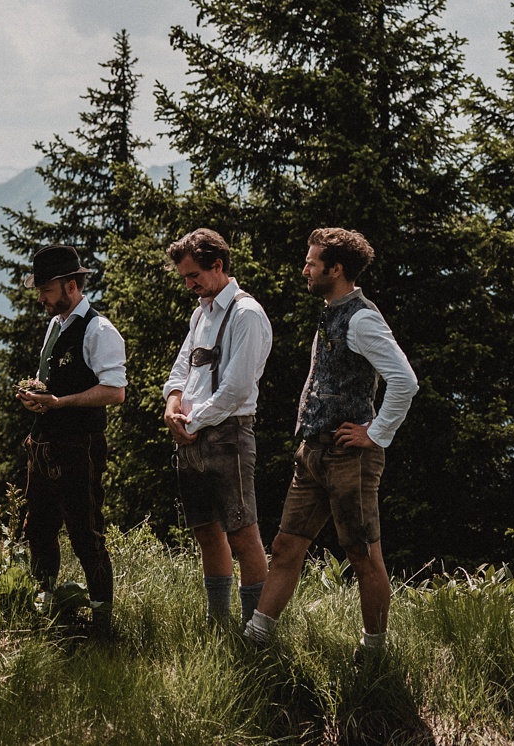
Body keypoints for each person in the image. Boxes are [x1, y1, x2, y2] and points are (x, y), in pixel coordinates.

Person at [244, 228, 418, 654]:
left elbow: (404, 380)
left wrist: (374, 434)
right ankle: (255, 639)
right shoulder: (331, 311)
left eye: (312, 262)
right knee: (286, 545)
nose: (304, 268)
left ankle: (374, 650)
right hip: (314, 453)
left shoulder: (361, 317)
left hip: (349, 457)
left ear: (335, 269)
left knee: (362, 555)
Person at [162, 229, 272, 629]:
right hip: (191, 435)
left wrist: (191, 420)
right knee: (206, 531)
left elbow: (237, 388)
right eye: (185, 278)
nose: (189, 285)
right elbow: (182, 368)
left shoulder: (246, 314)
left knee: (243, 533)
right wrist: (173, 406)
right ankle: (218, 622)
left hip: (228, 436)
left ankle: (255, 629)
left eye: (194, 276)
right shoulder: (201, 313)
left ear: (219, 265)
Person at [15, 245, 126, 634]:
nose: (41, 297)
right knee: (38, 528)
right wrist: (36, 396)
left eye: (47, 289)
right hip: (43, 444)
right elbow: (55, 381)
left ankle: (101, 622)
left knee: (86, 533)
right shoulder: (56, 325)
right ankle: (44, 607)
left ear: (72, 285)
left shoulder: (99, 330)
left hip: (81, 445)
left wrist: (60, 402)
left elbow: (115, 391)